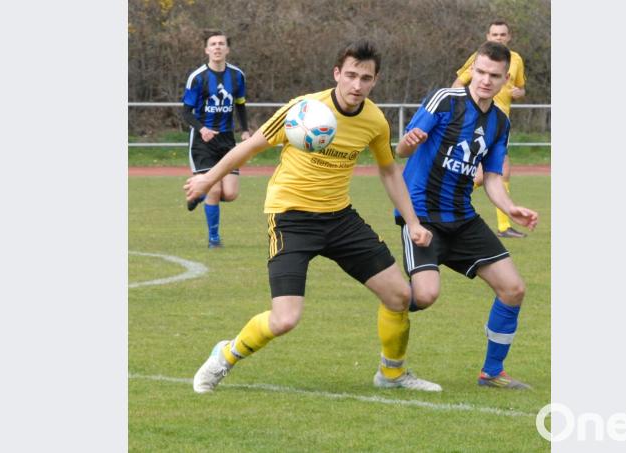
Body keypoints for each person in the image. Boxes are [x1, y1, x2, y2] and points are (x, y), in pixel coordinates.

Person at [184, 39, 441, 393]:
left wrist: (413, 222)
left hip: (339, 217)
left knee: (399, 296)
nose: (357, 85)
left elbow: (388, 170)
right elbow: (250, 146)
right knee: (285, 319)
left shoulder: (374, 120)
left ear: (375, 81)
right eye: (350, 75)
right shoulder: (303, 109)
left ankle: (391, 374)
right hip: (291, 218)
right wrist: (207, 179)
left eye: (365, 78)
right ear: (337, 73)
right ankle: (225, 354)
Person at [396, 41, 538, 389]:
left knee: (513, 289)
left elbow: (492, 178)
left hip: (463, 218)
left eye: (494, 76)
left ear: (505, 79)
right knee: (424, 296)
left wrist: (510, 207)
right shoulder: (445, 100)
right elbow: (402, 150)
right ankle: (391, 301)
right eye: (481, 72)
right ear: (471, 69)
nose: (486, 81)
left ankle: (492, 372)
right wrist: (408, 143)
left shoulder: (500, 122)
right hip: (422, 215)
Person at [452, 20, 527, 239]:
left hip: (500, 123)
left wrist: (518, 93)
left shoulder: (516, 60)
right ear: (488, 36)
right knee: (492, 171)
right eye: (495, 34)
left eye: (502, 34)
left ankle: (503, 225)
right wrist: (462, 110)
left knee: (491, 173)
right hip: (479, 120)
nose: (499, 38)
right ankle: (502, 225)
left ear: (509, 37)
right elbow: (457, 84)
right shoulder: (479, 58)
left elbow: (521, 88)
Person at [181, 29, 251, 248]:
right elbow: (185, 112)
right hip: (202, 142)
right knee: (214, 188)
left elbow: (240, 104)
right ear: (206, 50)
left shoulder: (237, 76)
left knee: (230, 193)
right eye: (213, 44)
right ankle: (214, 239)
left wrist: (245, 130)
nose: (217, 47)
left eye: (221, 43)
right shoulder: (197, 77)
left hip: (227, 141)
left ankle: (198, 194)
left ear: (227, 49)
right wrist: (202, 128)